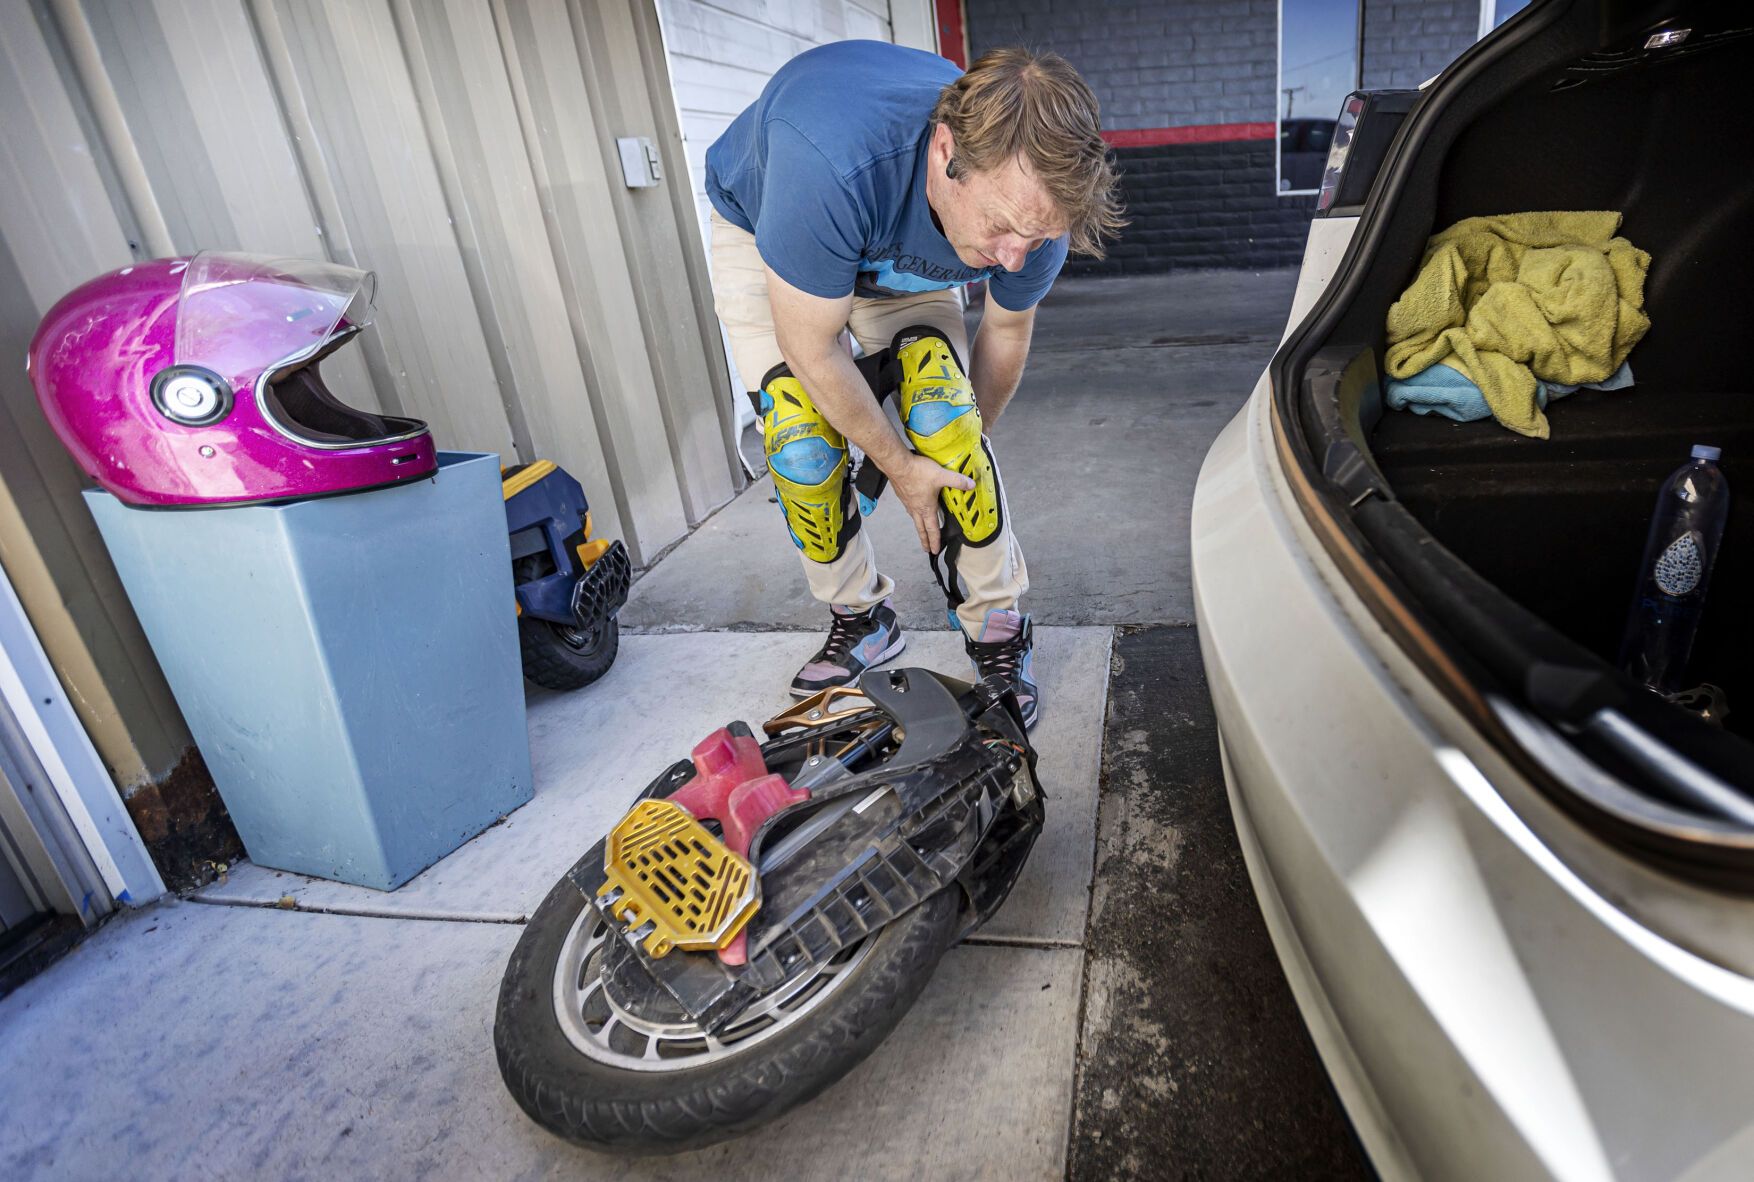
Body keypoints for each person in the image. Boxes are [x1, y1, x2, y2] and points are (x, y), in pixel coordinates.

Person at [705, 41, 1122, 728]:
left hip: (901, 243)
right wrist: (896, 466)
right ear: (946, 152)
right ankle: (861, 617)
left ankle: (997, 629)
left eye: (1036, 236)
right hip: (775, 223)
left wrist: (954, 452)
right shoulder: (829, 166)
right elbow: (813, 347)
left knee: (946, 419)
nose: (1013, 258)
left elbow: (1005, 333)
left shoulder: (1033, 212)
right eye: (1001, 227)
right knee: (799, 438)